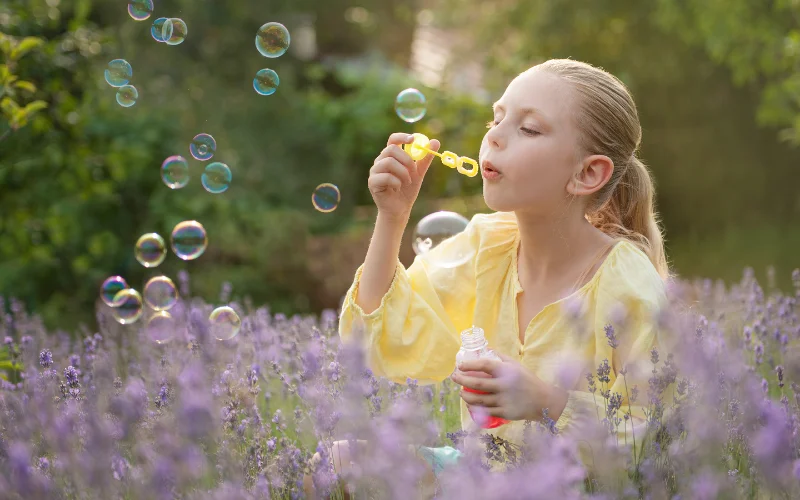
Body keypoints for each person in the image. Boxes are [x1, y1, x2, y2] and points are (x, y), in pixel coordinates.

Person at [304, 58, 672, 498]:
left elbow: (649, 444)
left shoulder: (628, 285)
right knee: (334, 464)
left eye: (529, 129)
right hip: (479, 474)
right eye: (495, 119)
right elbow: (377, 341)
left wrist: (541, 400)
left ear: (587, 173)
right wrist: (392, 217)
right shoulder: (488, 245)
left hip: (574, 486)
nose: (494, 137)